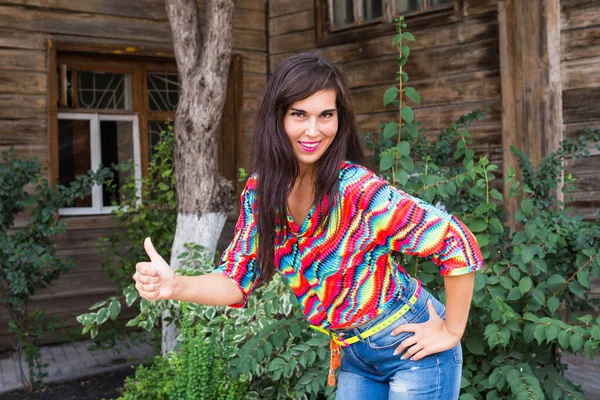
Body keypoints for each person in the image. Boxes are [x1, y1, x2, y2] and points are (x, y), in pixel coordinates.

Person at [133, 52, 484, 399]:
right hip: (354, 356)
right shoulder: (261, 192)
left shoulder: (356, 190)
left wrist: (452, 329)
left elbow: (454, 241)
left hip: (412, 349)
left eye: (325, 115)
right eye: (299, 114)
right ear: (278, 117)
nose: (313, 130)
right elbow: (236, 281)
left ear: (338, 119)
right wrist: (175, 285)